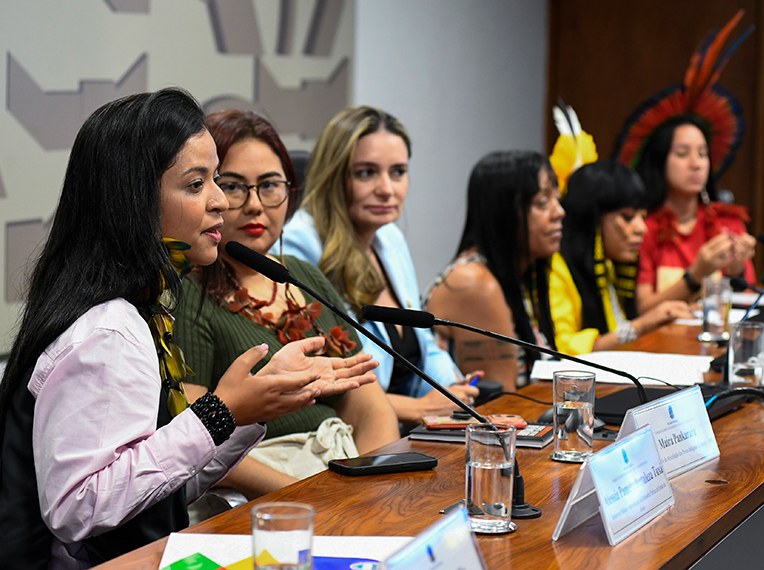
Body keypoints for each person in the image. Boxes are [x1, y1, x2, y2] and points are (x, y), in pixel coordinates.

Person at [0, 89, 376, 567]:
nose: (221, 201)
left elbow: (152, 490)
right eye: (197, 184)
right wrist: (220, 413)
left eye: (214, 180)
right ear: (134, 200)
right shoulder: (108, 331)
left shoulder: (138, 307)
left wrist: (246, 412)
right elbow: (79, 509)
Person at [175, 109, 399, 498]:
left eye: (270, 185)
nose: (255, 205)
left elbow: (370, 406)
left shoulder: (300, 273)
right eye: (233, 186)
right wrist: (312, 495)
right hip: (261, 496)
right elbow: (197, 440)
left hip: (343, 476)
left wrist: (370, 488)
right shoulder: (186, 290)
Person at [279, 106, 478, 424]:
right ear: (333, 176)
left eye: (398, 172)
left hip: (412, 431)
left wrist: (453, 389)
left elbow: (424, 341)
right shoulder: (299, 246)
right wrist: (418, 409)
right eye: (366, 173)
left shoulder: (390, 240)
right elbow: (317, 382)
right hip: (355, 435)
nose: (387, 189)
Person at [613, 11, 756, 314]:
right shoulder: (644, 227)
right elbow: (641, 310)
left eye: (703, 153)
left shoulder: (728, 225)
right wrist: (696, 274)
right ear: (660, 160)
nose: (696, 164)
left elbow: (750, 303)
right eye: (682, 153)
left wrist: (736, 270)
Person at [425, 151, 564, 390]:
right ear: (505, 213)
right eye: (543, 203)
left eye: (557, 199)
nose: (559, 212)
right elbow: (503, 404)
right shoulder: (474, 284)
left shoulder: (513, 274)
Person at [550, 160, 692, 355]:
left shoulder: (609, 265)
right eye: (627, 217)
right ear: (593, 220)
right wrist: (641, 325)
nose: (642, 228)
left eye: (642, 217)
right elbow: (563, 349)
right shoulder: (557, 269)